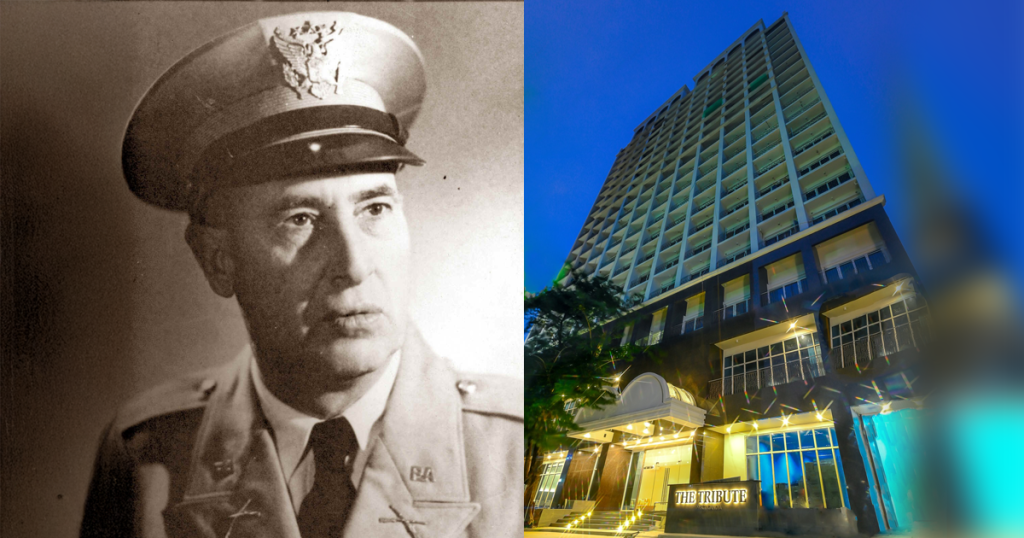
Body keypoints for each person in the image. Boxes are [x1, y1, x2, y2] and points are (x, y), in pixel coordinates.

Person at [80, 11, 522, 538]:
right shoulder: (147, 455)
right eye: (301, 220)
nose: (354, 266)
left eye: (375, 208)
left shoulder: (524, 446)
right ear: (218, 259)